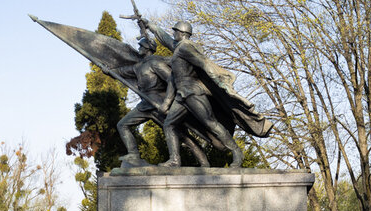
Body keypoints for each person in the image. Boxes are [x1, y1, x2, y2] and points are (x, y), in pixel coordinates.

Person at [144, 19, 273, 167]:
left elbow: (203, 63)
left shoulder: (186, 48)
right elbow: (165, 39)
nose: (173, 34)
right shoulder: (179, 47)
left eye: (175, 32)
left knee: (211, 123)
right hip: (181, 96)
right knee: (169, 124)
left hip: (193, 93)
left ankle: (237, 152)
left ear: (182, 33)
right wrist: (150, 26)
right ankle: (174, 160)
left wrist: (219, 82)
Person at [116, 36, 210, 168]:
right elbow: (122, 71)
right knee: (122, 125)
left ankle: (203, 161)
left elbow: (171, 79)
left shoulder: (155, 63)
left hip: (158, 104)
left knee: (180, 134)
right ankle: (133, 154)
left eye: (141, 46)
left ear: (148, 49)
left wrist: (167, 102)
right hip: (145, 105)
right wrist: (107, 69)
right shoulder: (138, 66)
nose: (139, 49)